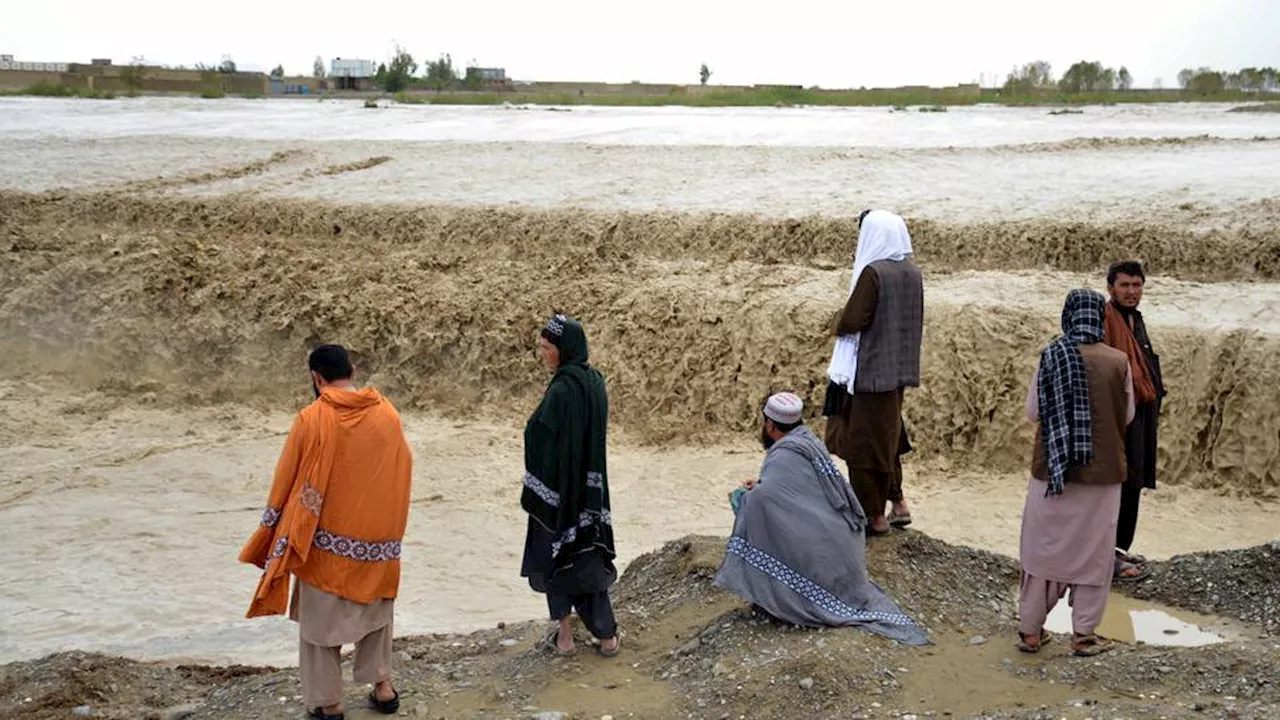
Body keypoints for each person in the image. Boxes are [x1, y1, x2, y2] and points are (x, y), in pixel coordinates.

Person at [239, 344, 413, 720]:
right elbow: (402, 471)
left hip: (324, 542)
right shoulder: (387, 414)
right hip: (377, 540)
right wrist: (390, 531)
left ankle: (330, 704)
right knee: (376, 613)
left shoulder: (312, 418)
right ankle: (383, 690)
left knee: (320, 624)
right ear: (352, 369)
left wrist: (271, 529)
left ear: (317, 378)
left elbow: (286, 479)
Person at [714, 392, 929, 644]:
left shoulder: (783, 454)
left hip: (822, 567)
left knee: (745, 501)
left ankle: (772, 591)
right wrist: (764, 485)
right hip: (846, 554)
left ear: (770, 425)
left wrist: (751, 493)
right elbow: (799, 493)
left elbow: (768, 500)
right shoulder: (808, 442)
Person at [1017, 290, 1134, 657]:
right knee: (1093, 554)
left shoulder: (1051, 355)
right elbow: (1127, 416)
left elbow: (1033, 412)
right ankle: (1083, 636)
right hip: (1102, 476)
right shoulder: (1118, 361)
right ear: (1101, 318)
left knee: (1042, 551)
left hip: (1052, 473)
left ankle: (1030, 632)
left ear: (1067, 315)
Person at [521, 313, 621, 657]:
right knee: (588, 561)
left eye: (547, 347)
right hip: (590, 494)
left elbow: (540, 433)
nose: (543, 353)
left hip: (559, 493)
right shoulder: (594, 381)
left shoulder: (563, 389)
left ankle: (564, 639)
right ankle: (606, 637)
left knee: (555, 557)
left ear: (564, 349)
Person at [823, 209, 924, 535]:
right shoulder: (912, 272)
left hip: (868, 373)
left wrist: (836, 320)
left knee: (863, 445)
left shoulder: (874, 273)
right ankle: (899, 503)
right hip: (897, 372)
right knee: (889, 437)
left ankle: (874, 518)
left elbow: (853, 320)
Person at [1103, 260, 1165, 581]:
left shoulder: (1134, 319)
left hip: (1140, 416)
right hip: (1120, 417)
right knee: (1119, 483)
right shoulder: (1106, 319)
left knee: (1134, 482)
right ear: (1111, 288)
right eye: (1125, 285)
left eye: (1137, 285)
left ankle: (1118, 550)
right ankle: (1107, 556)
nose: (1131, 291)